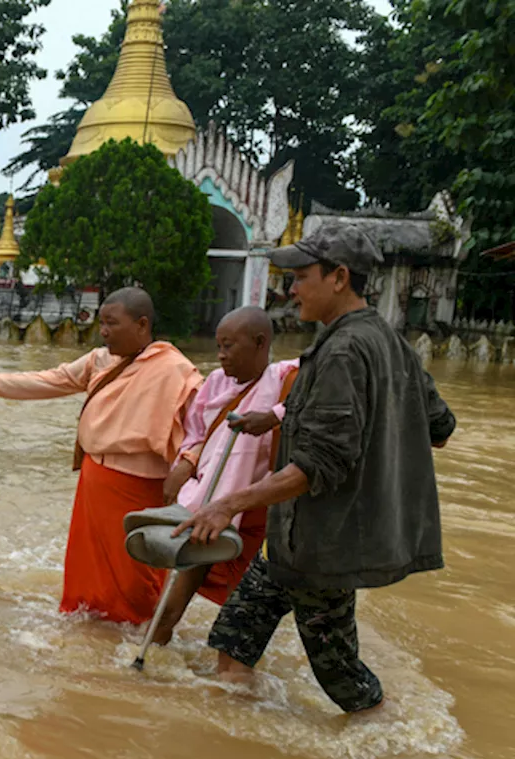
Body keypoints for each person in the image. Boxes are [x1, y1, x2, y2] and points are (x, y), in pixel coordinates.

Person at [177, 224, 457, 713]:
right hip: (296, 538)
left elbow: (318, 465)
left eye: (301, 277)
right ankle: (233, 751)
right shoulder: (391, 343)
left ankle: (390, 755)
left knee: (345, 683)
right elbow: (439, 427)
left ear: (339, 277)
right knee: (233, 643)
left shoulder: (343, 352)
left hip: (322, 547)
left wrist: (229, 503)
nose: (291, 290)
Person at [0, 287, 203, 624]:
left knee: (136, 574)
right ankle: (91, 632)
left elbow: (203, 429)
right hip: (96, 477)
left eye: (112, 323)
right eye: (101, 323)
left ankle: (139, 633)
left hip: (144, 487)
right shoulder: (100, 360)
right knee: (88, 568)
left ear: (142, 325)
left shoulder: (177, 371)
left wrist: (188, 464)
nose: (104, 331)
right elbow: (52, 380)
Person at [150, 307, 300, 644]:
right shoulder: (216, 383)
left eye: (228, 346)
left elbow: (320, 398)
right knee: (172, 599)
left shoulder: (287, 377)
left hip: (256, 510)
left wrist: (272, 416)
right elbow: (195, 433)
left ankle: (230, 677)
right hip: (209, 504)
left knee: (244, 608)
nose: (220, 356)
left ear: (260, 343)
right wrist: (185, 464)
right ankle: (150, 656)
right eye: (218, 346)